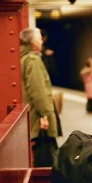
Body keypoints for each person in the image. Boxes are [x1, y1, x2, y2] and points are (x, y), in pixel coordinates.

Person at [19, 27, 61, 167]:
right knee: (47, 157)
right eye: (39, 38)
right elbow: (38, 91)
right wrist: (44, 114)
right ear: (33, 43)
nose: (42, 41)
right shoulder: (32, 60)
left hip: (33, 114)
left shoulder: (23, 57)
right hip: (39, 117)